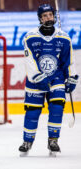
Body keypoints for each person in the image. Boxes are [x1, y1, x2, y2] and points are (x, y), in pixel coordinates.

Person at [18, 4, 78, 157]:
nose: (48, 18)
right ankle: (27, 141)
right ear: (40, 18)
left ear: (53, 16)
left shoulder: (63, 37)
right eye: (44, 16)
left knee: (57, 108)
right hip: (35, 79)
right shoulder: (30, 37)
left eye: (50, 15)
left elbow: (68, 61)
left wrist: (71, 78)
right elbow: (29, 60)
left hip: (56, 78)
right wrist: (38, 77)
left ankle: (53, 140)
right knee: (32, 111)